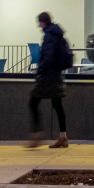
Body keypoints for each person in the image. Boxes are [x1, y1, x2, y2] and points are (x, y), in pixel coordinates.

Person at [26, 12, 68, 149]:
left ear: (43, 22)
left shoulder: (49, 36)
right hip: (55, 76)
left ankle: (36, 136)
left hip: (47, 77)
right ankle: (63, 137)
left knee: (33, 102)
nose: (38, 25)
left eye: (39, 22)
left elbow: (48, 57)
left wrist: (40, 71)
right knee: (57, 106)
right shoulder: (56, 34)